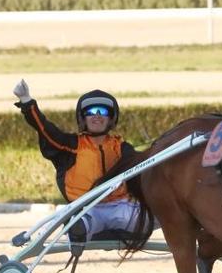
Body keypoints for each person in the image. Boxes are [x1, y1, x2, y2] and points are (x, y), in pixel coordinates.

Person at [12, 79, 143, 256]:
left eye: (103, 111)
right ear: (83, 117)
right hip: (87, 209)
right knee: (80, 222)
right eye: (91, 111)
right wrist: (27, 102)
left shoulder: (122, 147)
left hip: (121, 208)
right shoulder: (71, 145)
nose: (97, 115)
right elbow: (46, 130)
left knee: (151, 213)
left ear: (111, 118)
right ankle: (81, 230)